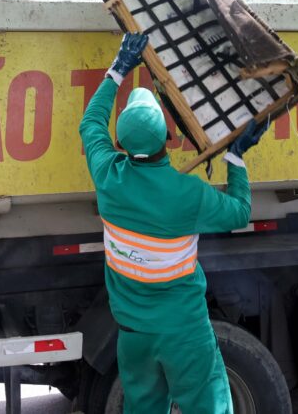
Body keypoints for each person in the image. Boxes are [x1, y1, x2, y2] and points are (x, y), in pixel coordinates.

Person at [79, 32, 270, 414]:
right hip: (185, 333)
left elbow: (90, 125)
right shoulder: (187, 194)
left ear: (121, 142)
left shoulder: (108, 177)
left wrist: (118, 70)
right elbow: (239, 212)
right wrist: (236, 158)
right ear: (168, 138)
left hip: (134, 338)